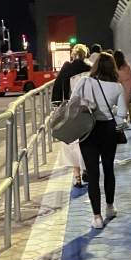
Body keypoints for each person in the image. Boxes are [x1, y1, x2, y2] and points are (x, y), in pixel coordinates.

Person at [73, 52, 128, 230]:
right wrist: (115, 121)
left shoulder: (84, 82)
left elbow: (73, 103)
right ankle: (110, 207)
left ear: (96, 66)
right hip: (108, 130)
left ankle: (97, 217)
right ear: (112, 68)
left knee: (93, 174)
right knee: (108, 169)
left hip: (87, 129)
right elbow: (122, 114)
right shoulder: (117, 87)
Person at [52, 44, 91, 187]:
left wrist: (57, 106)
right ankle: (87, 168)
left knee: (72, 143)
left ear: (73, 54)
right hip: (87, 110)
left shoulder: (67, 67)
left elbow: (57, 88)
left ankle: (77, 176)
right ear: (85, 54)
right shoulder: (90, 68)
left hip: (71, 110)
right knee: (87, 141)